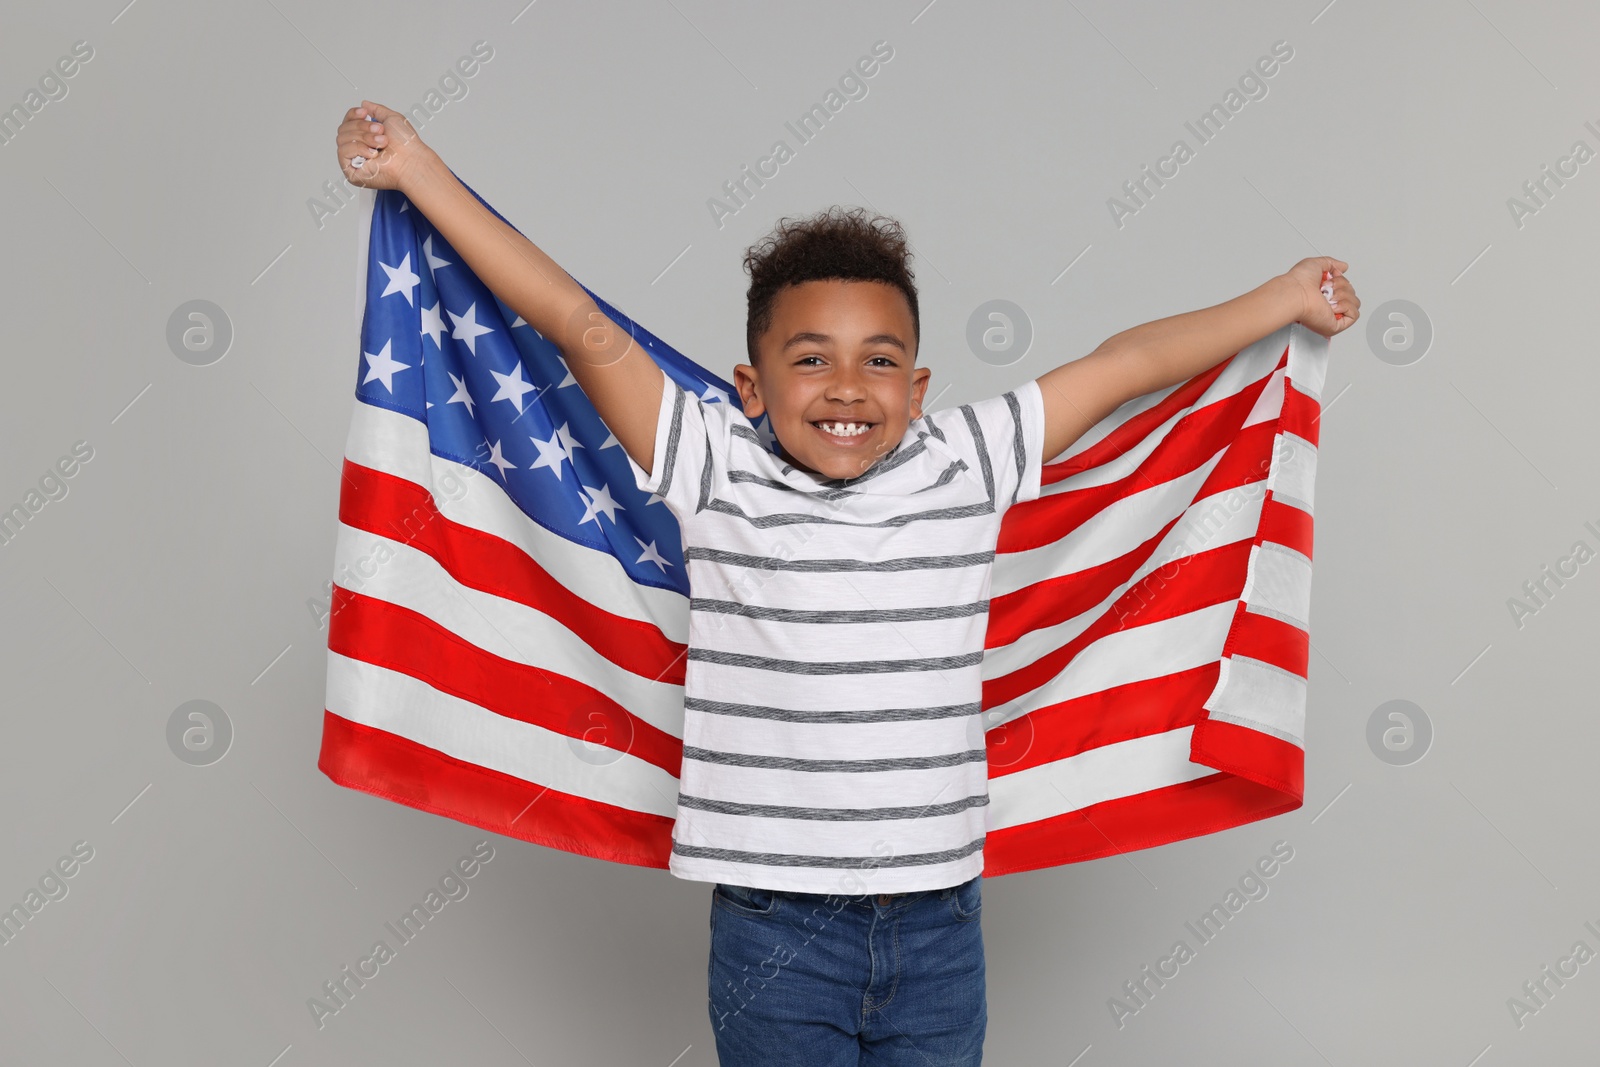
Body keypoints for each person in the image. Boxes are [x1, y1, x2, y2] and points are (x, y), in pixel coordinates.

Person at [333, 99, 1359, 1066]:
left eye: (878, 362)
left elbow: (1125, 363)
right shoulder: (712, 464)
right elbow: (575, 321)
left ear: (916, 389)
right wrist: (415, 168)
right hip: (774, 928)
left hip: (938, 921)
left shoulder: (967, 458)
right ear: (751, 385)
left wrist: (1282, 296)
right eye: (809, 358)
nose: (845, 388)